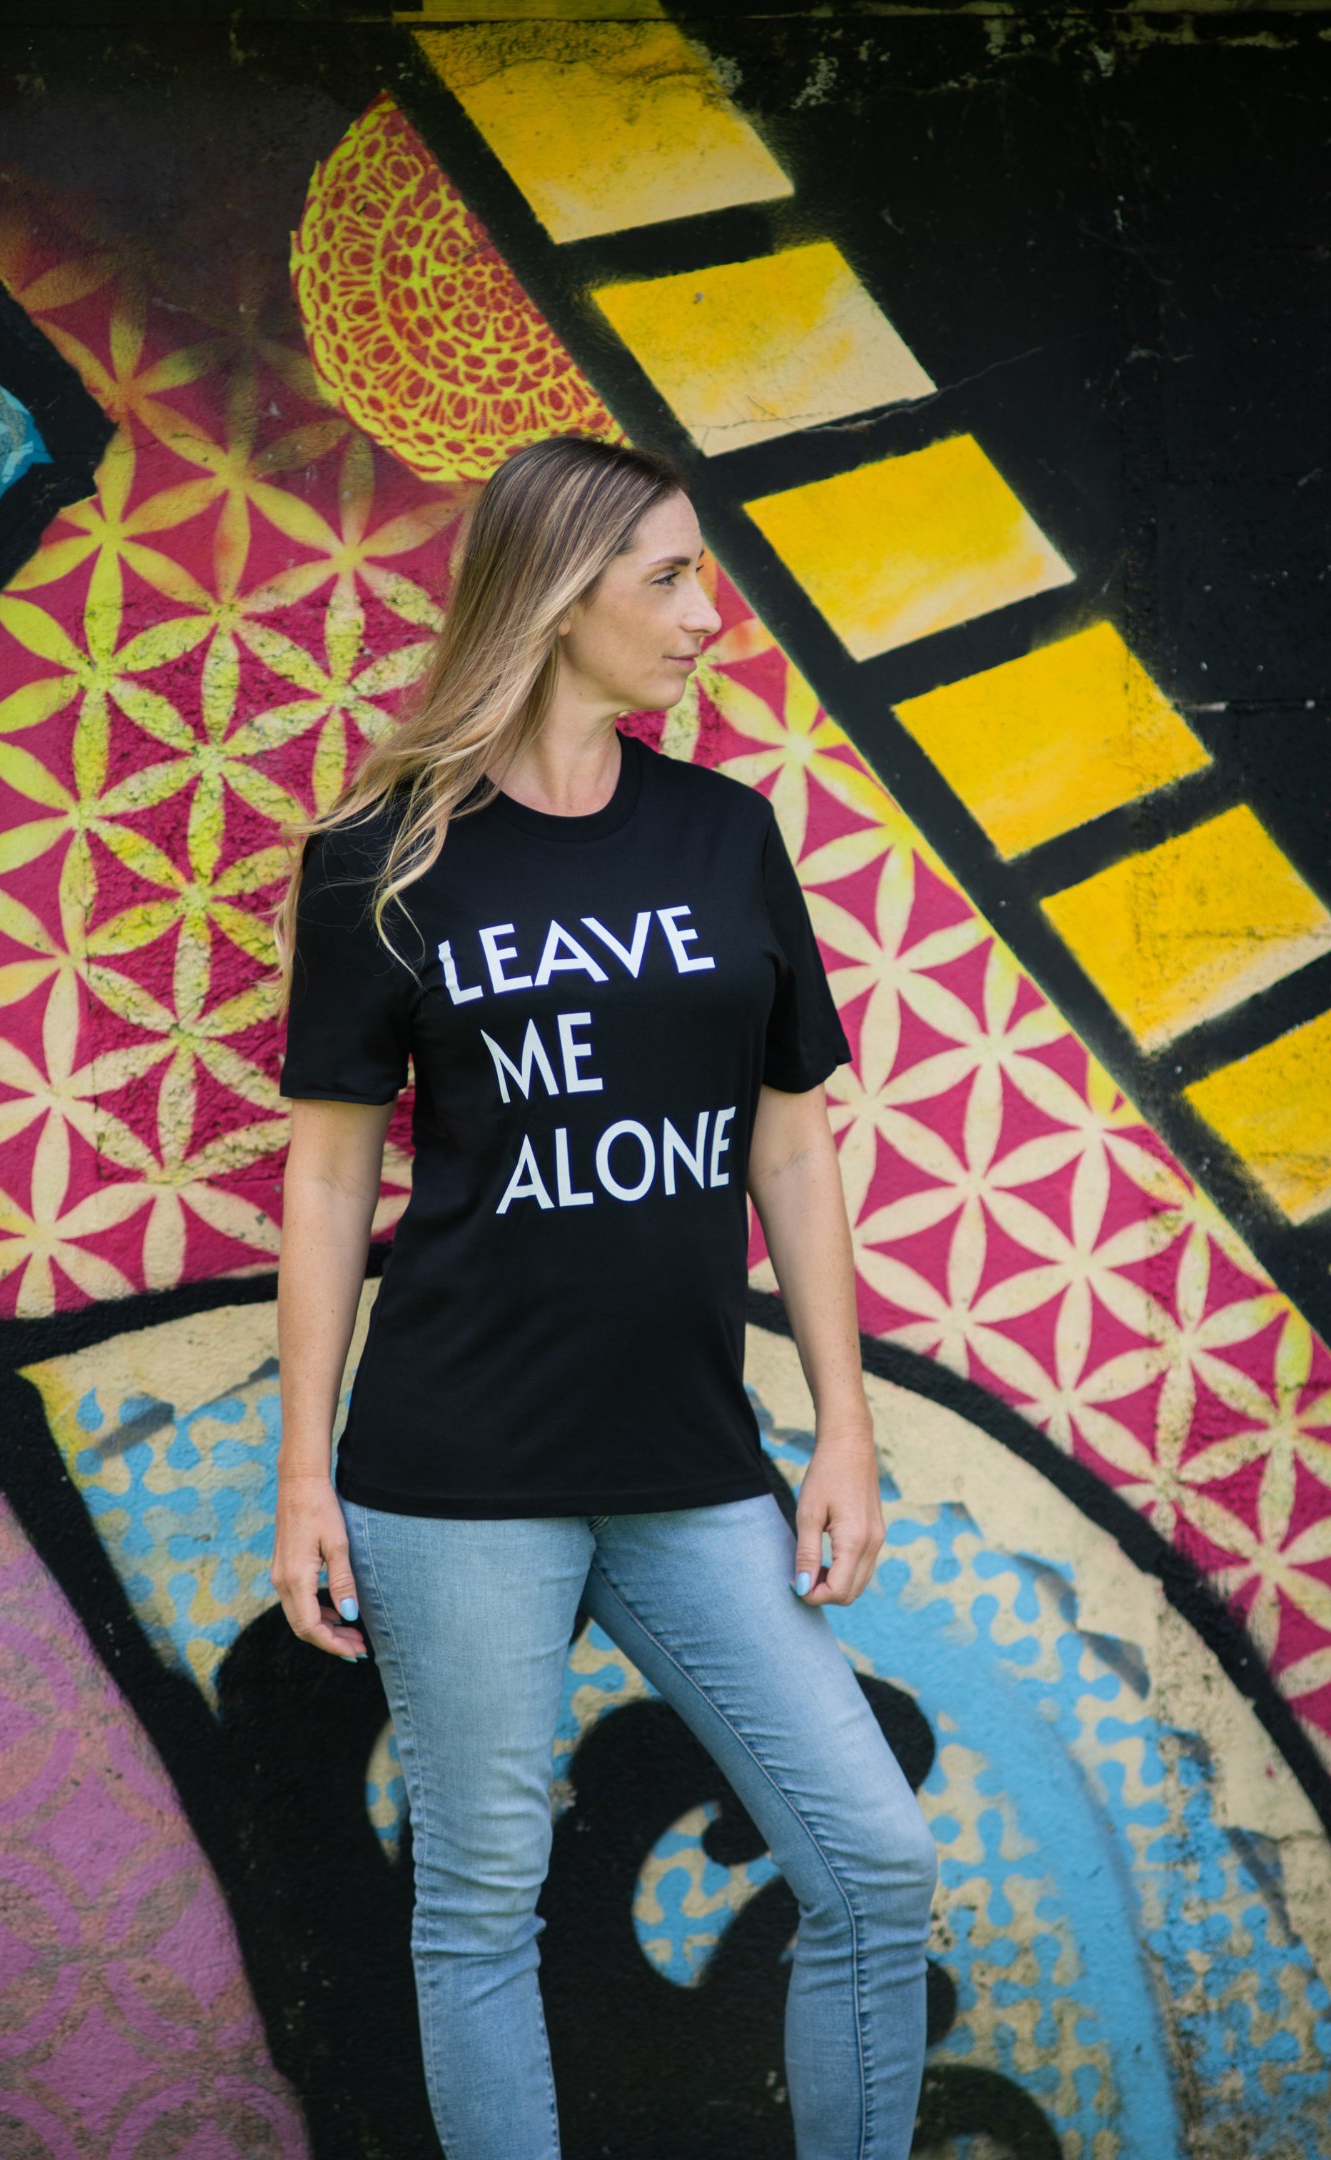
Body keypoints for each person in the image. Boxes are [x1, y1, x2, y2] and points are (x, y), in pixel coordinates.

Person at [270, 435, 938, 2160]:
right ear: (558, 596)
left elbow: (792, 1153)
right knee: (483, 1902)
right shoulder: (385, 853)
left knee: (874, 1860)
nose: (706, 619)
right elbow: (335, 1178)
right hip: (457, 1472)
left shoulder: (726, 833)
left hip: (693, 1469)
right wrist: (301, 1478)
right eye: (667, 579)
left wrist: (843, 1432)